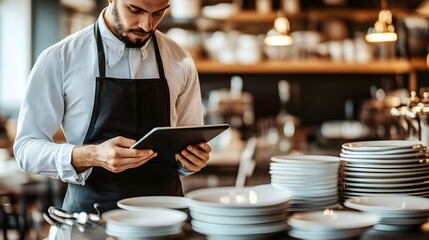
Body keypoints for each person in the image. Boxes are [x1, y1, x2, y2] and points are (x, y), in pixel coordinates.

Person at [13, 0, 211, 214]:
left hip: (166, 220)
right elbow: (26, 149)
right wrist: (92, 155)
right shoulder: (60, 59)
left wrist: (190, 161)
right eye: (135, 10)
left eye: (158, 13)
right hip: (91, 220)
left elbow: (187, 145)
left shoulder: (181, 61)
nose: (147, 25)